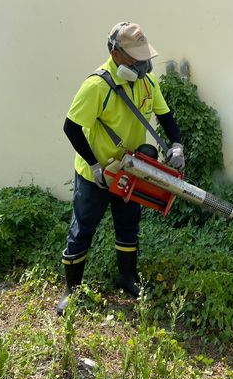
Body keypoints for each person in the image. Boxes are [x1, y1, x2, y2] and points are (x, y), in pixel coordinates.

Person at [57, 21, 184, 316]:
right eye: (137, 58)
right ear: (116, 54)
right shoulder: (96, 87)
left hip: (131, 169)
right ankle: (71, 292)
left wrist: (176, 144)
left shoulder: (147, 83)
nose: (143, 64)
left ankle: (127, 277)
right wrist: (95, 165)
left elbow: (165, 116)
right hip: (96, 174)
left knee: (128, 226)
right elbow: (71, 128)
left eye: (145, 57)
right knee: (83, 230)